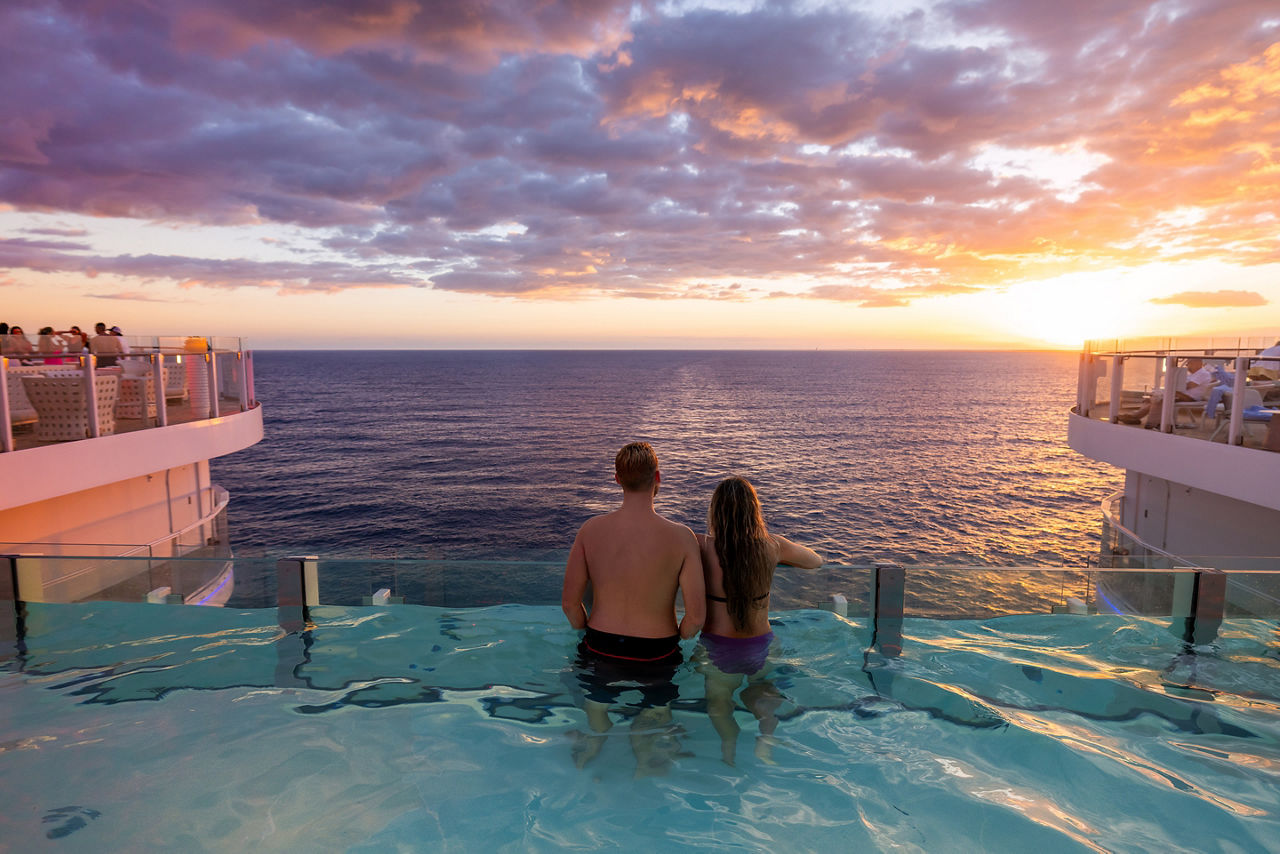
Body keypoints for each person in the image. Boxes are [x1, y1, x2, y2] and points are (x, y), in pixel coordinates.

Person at [561, 441, 705, 773]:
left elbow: (570, 604)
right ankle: (645, 762)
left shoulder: (590, 530)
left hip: (600, 645)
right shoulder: (681, 537)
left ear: (617, 479)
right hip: (656, 652)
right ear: (658, 477)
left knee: (596, 712)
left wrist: (585, 628)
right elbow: (696, 618)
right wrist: (678, 635)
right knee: (654, 721)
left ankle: (595, 741)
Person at [696, 476, 822, 765]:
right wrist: (779, 558)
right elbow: (816, 561)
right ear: (754, 510)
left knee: (719, 706)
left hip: (717, 648)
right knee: (764, 695)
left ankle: (729, 748)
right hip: (762, 646)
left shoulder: (702, 546)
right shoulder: (771, 546)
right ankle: (765, 740)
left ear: (715, 511)